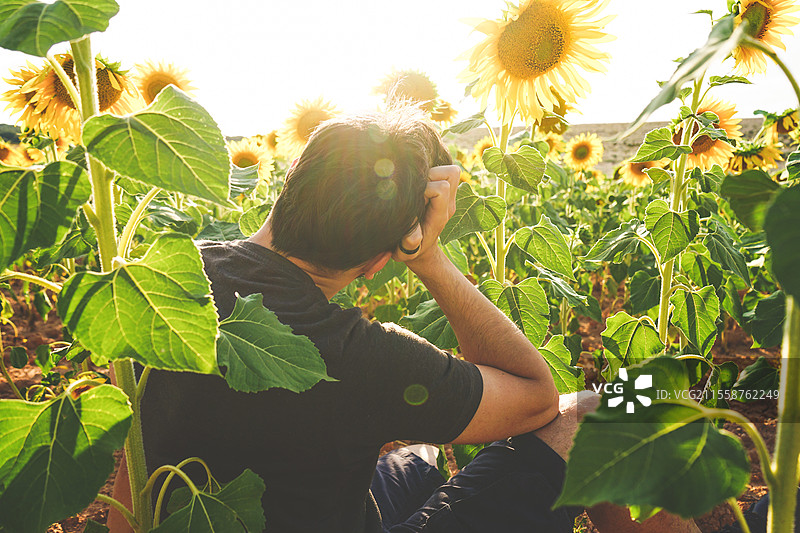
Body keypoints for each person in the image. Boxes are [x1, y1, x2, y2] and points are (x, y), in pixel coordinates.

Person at [109, 106, 699, 532]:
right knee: (611, 413)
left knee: (421, 456)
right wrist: (433, 260)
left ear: (290, 182)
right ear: (378, 262)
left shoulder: (162, 282)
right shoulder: (360, 359)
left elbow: (133, 473)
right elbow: (538, 398)